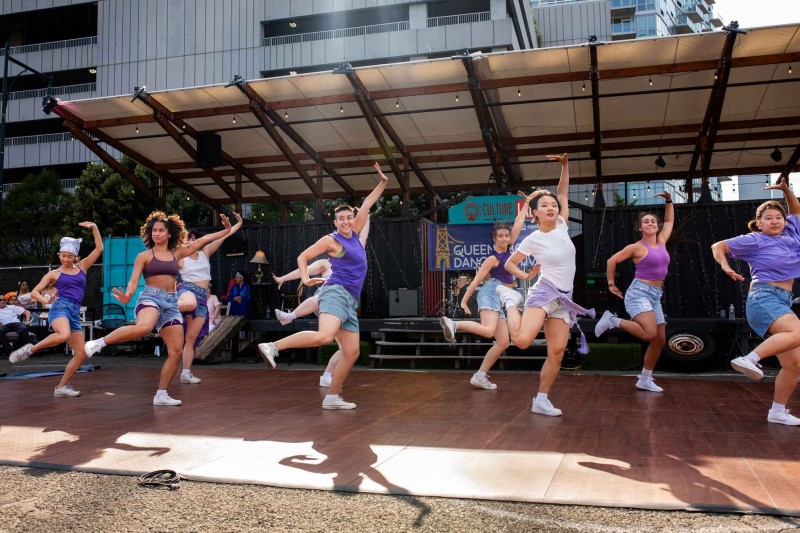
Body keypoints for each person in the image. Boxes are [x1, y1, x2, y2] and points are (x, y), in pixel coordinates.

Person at [258, 162, 389, 409]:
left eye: (349, 218)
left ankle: (331, 397)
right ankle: (273, 347)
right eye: (341, 219)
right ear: (335, 222)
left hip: (350, 300)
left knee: (351, 352)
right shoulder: (332, 240)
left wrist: (383, 182)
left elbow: (368, 204)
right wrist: (305, 279)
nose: (346, 222)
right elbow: (303, 257)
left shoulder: (355, 235)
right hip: (335, 293)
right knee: (325, 336)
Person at [83, 211, 231, 406]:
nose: (157, 233)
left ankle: (161, 394)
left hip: (172, 302)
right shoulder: (144, 256)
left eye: (161, 230)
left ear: (169, 233)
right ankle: (98, 343)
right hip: (151, 298)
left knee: (176, 352)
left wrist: (226, 230)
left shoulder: (177, 253)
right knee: (144, 327)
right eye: (154, 230)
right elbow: (133, 281)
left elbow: (203, 241)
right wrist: (128, 295)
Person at [495, 154, 595, 417]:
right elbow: (509, 264)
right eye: (545, 205)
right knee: (522, 341)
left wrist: (564, 166)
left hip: (565, 298)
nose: (551, 207)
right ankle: (510, 300)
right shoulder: (533, 239)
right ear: (535, 212)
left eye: (553, 205)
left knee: (558, 352)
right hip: (544, 292)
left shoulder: (562, 225)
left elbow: (563, 191)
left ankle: (541, 400)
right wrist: (526, 276)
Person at [710, 177, 800, 426]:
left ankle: (777, 411)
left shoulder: (792, 234)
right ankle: (749, 359)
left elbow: (796, 210)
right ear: (759, 223)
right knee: (798, 332)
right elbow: (718, 246)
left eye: (778, 217)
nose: (775, 221)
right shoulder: (755, 239)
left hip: (783, 300)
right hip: (764, 297)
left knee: (794, 364)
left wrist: (785, 190)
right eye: (768, 218)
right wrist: (725, 265)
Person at [439, 193, 532, 390]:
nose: (504, 238)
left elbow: (518, 222)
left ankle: (480, 376)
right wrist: (464, 301)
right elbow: (477, 280)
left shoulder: (509, 250)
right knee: (489, 330)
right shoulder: (493, 258)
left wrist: (526, 203)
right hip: (491, 292)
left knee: (503, 342)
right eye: (500, 236)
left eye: (506, 235)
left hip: (500, 295)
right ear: (494, 239)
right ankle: (454, 324)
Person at [273, 215, 372, 388]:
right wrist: (283, 278)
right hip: (329, 299)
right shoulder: (326, 263)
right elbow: (303, 269)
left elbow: (362, 235)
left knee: (346, 350)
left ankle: (327, 376)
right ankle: (290, 316)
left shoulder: (355, 250)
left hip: (345, 303)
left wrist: (367, 216)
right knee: (319, 298)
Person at [8, 224, 104, 398]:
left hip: (74, 311)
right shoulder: (54, 274)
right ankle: (30, 350)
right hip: (60, 307)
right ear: (59, 255)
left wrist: (94, 227)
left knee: (81, 353)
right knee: (63, 335)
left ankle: (61, 387)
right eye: (63, 256)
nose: (65, 259)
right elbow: (35, 292)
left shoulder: (82, 267)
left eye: (69, 256)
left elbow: (99, 249)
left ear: (75, 256)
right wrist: (45, 300)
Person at [594, 192, 675, 393]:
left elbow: (669, 221)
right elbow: (611, 261)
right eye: (646, 222)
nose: (650, 223)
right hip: (639, 293)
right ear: (640, 228)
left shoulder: (662, 241)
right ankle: (612, 320)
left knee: (659, 340)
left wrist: (669, 201)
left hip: (655, 294)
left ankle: (644, 379)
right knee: (649, 333)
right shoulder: (636, 247)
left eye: (653, 221)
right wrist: (611, 284)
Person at [175, 213, 243, 385]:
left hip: (202, 297)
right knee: (181, 333)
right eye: (187, 238)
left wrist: (238, 223)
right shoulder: (180, 257)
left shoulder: (205, 252)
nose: (190, 241)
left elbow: (224, 235)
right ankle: (164, 306)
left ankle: (186, 373)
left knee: (191, 338)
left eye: (193, 239)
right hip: (187, 291)